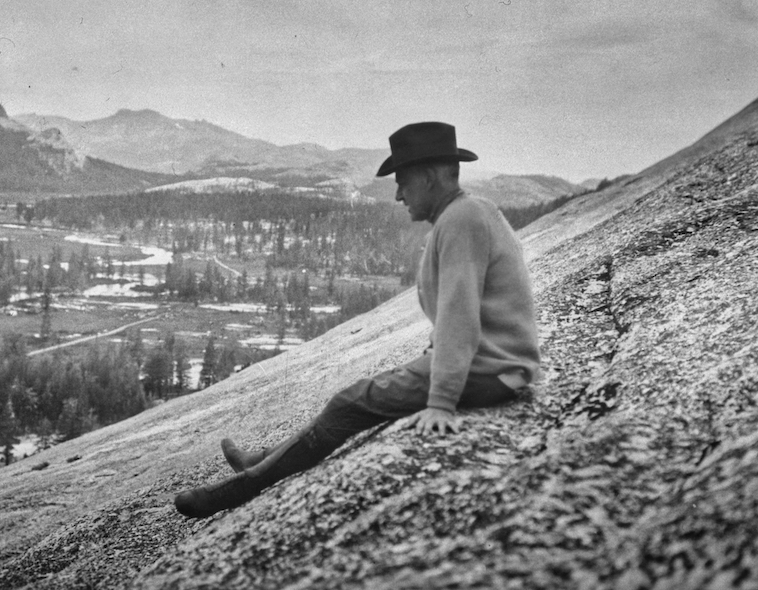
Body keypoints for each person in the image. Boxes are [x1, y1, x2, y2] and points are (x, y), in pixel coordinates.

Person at [175, 121, 541, 518]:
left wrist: (441, 402)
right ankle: (260, 460)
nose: (398, 194)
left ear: (432, 177)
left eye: (403, 181)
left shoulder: (461, 219)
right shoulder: (470, 212)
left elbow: (460, 314)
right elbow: (478, 308)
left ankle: (235, 491)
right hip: (494, 366)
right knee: (356, 398)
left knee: (348, 404)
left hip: (489, 371)